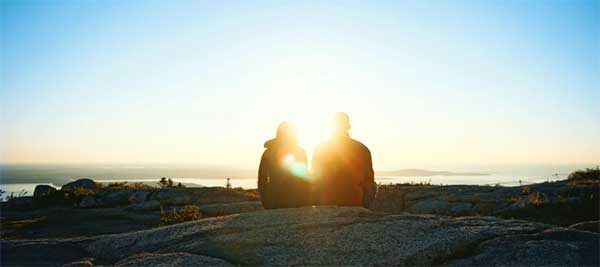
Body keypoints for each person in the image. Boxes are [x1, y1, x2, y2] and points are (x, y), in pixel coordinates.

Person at [312, 113, 375, 207]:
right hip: (354, 201)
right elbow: (369, 181)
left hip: (326, 202)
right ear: (348, 126)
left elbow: (314, 180)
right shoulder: (362, 149)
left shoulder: (320, 149)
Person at [258, 122, 311, 209]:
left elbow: (262, 180)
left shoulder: (300, 151)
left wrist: (266, 200)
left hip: (288, 201)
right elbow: (262, 179)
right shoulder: (300, 152)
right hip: (282, 201)